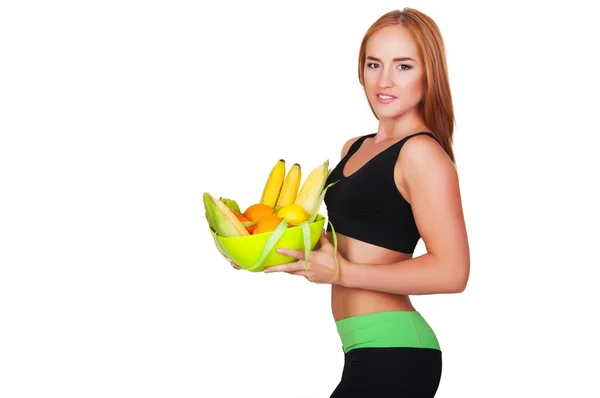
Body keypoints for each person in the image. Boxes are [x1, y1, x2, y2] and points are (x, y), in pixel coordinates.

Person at [256, 7, 469, 397]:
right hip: (362, 349)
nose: (384, 80)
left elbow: (453, 272)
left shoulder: (421, 154)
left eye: (403, 66)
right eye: (374, 64)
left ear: (429, 73)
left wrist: (342, 274)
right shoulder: (353, 148)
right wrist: (263, 251)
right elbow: (347, 246)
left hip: (397, 351)